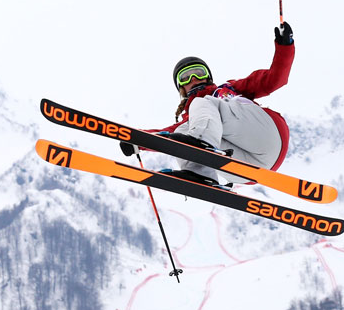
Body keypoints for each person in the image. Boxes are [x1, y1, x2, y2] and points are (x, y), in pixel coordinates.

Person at [121, 22, 295, 187]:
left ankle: (201, 145)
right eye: (185, 78)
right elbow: (165, 135)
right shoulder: (192, 120)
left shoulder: (228, 89)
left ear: (208, 76)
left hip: (267, 136)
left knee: (201, 108)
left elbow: (274, 79)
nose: (193, 79)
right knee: (181, 133)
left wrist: (285, 46)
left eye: (198, 72)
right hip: (249, 170)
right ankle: (200, 175)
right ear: (181, 88)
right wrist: (136, 139)